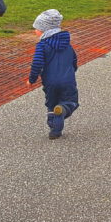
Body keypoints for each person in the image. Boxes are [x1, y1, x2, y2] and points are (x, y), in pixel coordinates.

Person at [27, 9, 79, 140]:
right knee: (71, 102)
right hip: (68, 80)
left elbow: (37, 63)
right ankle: (63, 108)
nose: (35, 31)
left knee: (51, 104)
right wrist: (72, 71)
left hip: (50, 82)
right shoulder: (67, 44)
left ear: (44, 30)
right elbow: (74, 59)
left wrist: (32, 79)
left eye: (37, 28)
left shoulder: (42, 45)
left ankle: (54, 131)